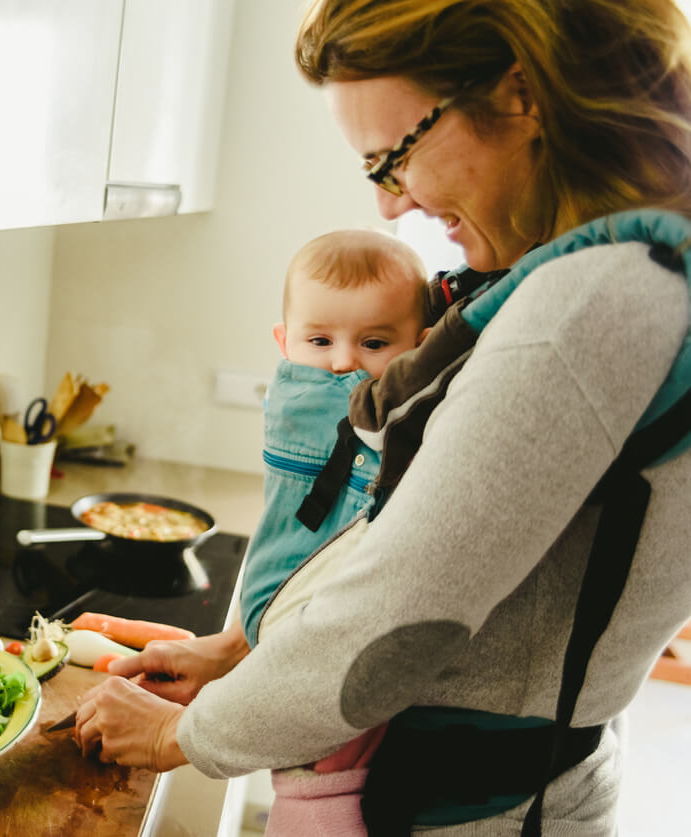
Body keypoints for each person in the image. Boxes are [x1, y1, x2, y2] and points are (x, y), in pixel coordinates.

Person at [71, 1, 691, 834]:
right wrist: (244, 652)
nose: (389, 203)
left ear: (518, 94)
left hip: (478, 814)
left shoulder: (587, 311)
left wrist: (185, 733)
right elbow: (464, 559)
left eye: (394, 157)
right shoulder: (632, 270)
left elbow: (396, 615)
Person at [246, 228, 430, 834]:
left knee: (324, 762)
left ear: (420, 347)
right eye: (319, 340)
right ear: (284, 342)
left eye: (374, 343)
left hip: (335, 624)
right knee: (318, 755)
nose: (343, 362)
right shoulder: (300, 393)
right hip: (288, 604)